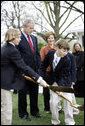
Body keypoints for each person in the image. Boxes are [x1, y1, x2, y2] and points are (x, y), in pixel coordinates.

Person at [1, 28, 48, 125]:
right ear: (13, 38)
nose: (20, 39)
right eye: (18, 37)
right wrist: (39, 79)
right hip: (4, 83)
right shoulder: (12, 50)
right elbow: (23, 66)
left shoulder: (5, 47)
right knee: (6, 109)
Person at [39, 39, 75, 125]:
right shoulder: (51, 54)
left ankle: (69, 122)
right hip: (53, 81)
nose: (65, 53)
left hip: (65, 82)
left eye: (67, 51)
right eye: (63, 51)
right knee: (53, 102)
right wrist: (40, 77)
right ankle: (55, 122)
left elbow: (64, 75)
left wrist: (60, 88)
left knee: (68, 102)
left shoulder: (67, 59)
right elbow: (43, 66)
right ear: (58, 48)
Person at [17, 19, 42, 120]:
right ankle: (23, 114)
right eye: (30, 28)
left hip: (34, 70)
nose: (32, 30)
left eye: (33, 28)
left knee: (34, 92)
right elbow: (17, 56)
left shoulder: (34, 38)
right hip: (23, 71)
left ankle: (34, 111)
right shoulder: (18, 38)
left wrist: (39, 68)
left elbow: (36, 54)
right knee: (22, 93)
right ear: (24, 27)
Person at [40, 31, 57, 113]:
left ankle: (57, 108)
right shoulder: (44, 49)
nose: (51, 39)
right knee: (46, 91)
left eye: (52, 38)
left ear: (54, 38)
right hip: (47, 73)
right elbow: (42, 61)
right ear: (47, 39)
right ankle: (47, 108)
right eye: (49, 38)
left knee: (56, 90)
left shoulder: (57, 48)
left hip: (56, 73)